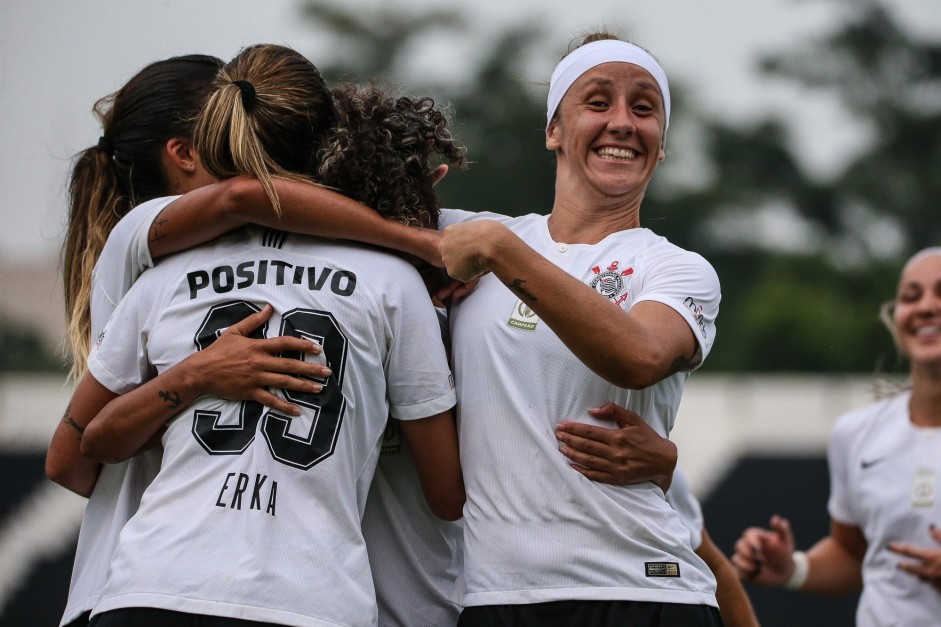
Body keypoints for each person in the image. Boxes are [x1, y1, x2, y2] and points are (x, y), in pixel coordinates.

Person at [62, 43, 466, 627]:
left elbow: (83, 450)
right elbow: (447, 495)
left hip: (149, 586)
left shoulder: (165, 275)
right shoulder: (394, 279)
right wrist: (422, 237)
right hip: (311, 598)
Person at [437, 32, 723, 625]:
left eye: (644, 109)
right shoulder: (482, 235)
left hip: (642, 593)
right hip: (495, 598)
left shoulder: (676, 268)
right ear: (554, 131)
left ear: (661, 145)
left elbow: (639, 356)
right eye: (597, 102)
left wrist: (497, 251)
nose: (622, 122)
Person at [731, 247, 941, 626]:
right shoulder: (856, 433)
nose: (926, 307)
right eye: (911, 296)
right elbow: (853, 552)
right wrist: (791, 568)